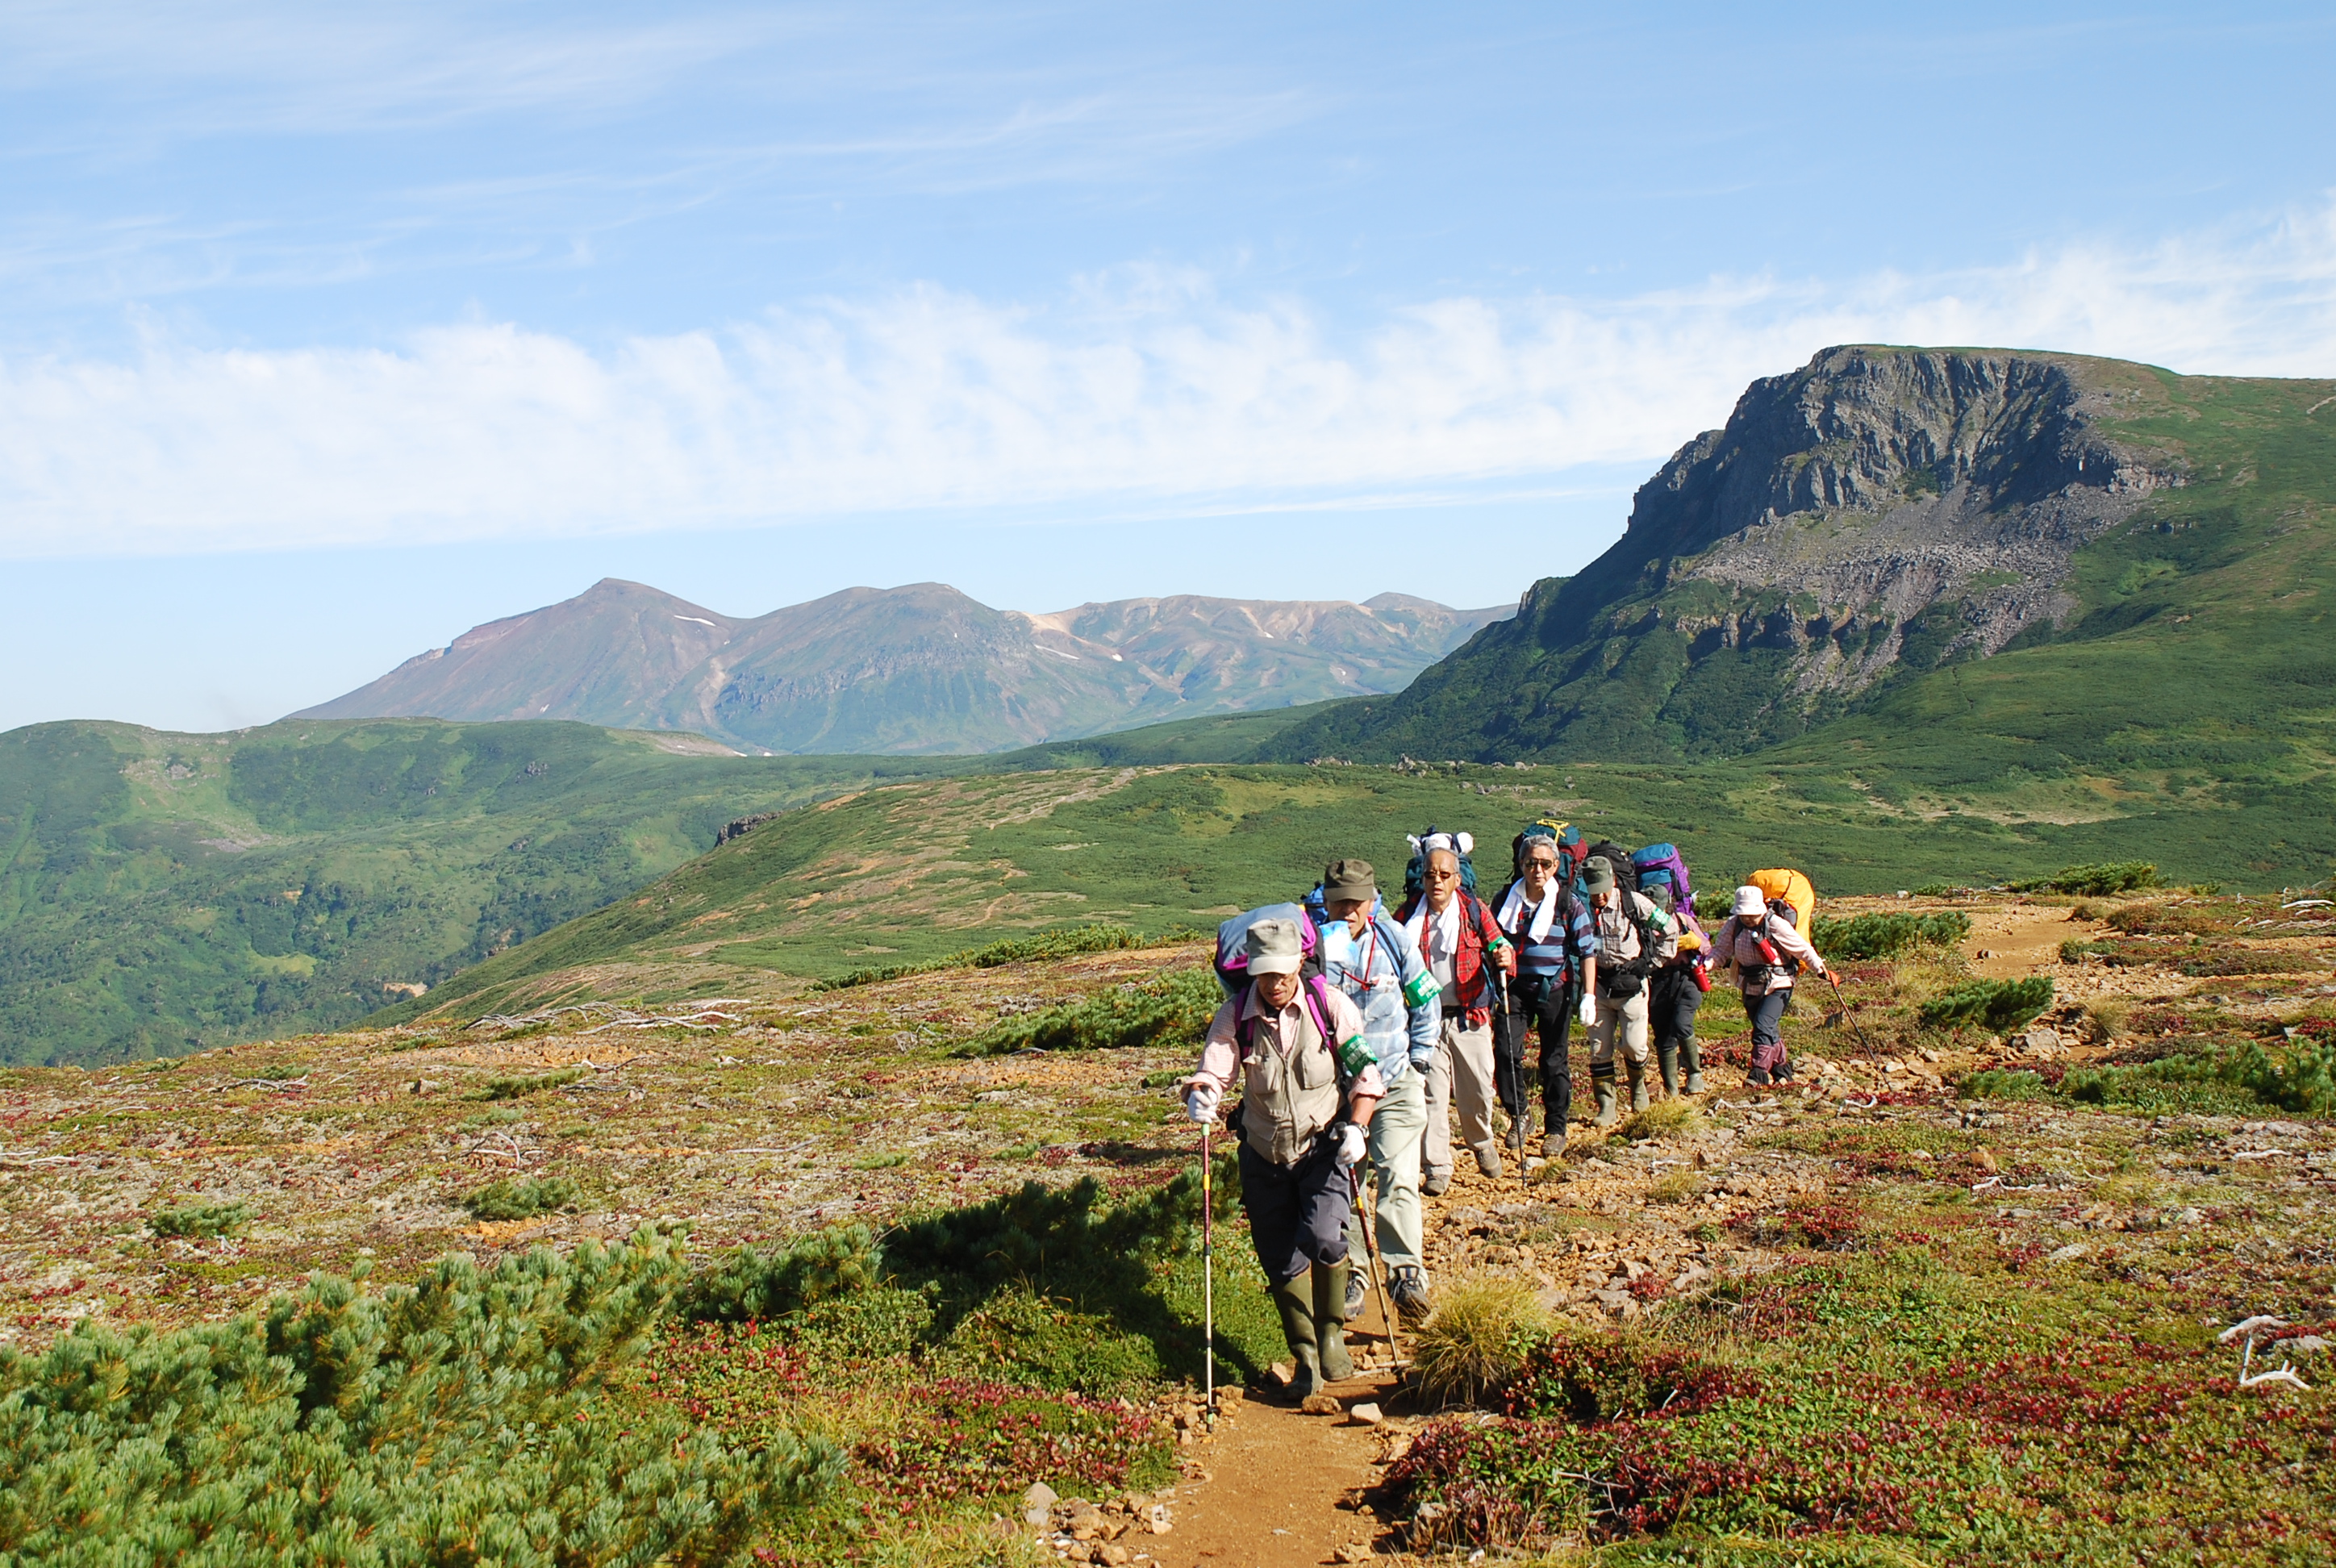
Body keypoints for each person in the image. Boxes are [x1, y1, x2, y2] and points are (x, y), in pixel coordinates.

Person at [1184, 918, 1383, 1400]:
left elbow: (1366, 1073)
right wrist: (1204, 1093)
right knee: (1279, 1256)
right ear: (1252, 972)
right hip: (1263, 1151)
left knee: (1322, 1237)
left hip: (1323, 1145)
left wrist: (1357, 1125)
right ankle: (1306, 1356)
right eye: (1265, 975)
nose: (1275, 984)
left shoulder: (1328, 1005)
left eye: (1283, 973)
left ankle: (1332, 1334)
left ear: (1300, 963)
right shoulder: (1235, 1016)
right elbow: (1216, 1067)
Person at [1303, 857, 1441, 1324]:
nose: (1347, 911)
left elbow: (1425, 1000)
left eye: (1356, 903)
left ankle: (1406, 1274)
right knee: (1347, 1182)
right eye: (1338, 902)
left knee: (1399, 1176)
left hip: (1397, 1079)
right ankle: (1355, 1274)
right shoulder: (1316, 947)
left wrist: (1420, 1060)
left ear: (1371, 901)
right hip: (1340, 1091)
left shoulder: (1395, 938)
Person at [1395, 836, 1512, 1192]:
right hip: (1425, 1020)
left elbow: (1498, 943)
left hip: (1469, 1016)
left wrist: (1504, 954)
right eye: (1431, 874)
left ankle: (1481, 1142)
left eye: (1445, 875)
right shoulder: (1408, 916)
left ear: (1457, 879)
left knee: (1476, 1088)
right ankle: (1437, 1167)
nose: (1437, 881)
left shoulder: (1474, 911)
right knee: (1431, 1093)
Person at [1491, 828, 1599, 1157]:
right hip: (1514, 987)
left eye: (1544, 864)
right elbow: (1492, 938)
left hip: (1556, 988)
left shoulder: (1568, 903)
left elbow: (1586, 951)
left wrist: (1589, 995)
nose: (1537, 870)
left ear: (1555, 867)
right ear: (1521, 864)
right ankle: (1520, 1114)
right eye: (1530, 863)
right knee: (1506, 1052)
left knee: (1554, 1060)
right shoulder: (1504, 901)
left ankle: (1556, 1127)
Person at [1579, 856, 1676, 1124]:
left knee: (1634, 1046)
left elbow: (1670, 928)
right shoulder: (1581, 907)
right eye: (1592, 891)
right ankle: (1606, 1106)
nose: (1597, 896)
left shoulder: (1634, 903)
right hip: (1598, 985)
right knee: (1599, 1050)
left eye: (1602, 890)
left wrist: (1651, 963)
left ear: (1612, 881)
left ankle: (1638, 1089)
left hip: (1632, 984)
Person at [1708, 885, 1827, 1085]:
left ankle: (1758, 1073)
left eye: (1751, 915)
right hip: (1749, 983)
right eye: (1743, 914)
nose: (1747, 919)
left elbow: (1802, 949)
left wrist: (1821, 969)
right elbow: (1721, 951)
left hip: (1779, 984)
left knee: (1763, 1027)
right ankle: (1781, 1070)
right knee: (1767, 1029)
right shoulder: (1733, 924)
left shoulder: (1775, 924)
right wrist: (1706, 966)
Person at [1646, 884, 1711, 1095]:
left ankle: (1695, 1074)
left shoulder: (1683, 920)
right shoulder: (1642, 926)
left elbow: (1707, 947)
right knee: (1663, 1035)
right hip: (1658, 982)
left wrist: (1696, 942)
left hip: (1685, 978)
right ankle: (1671, 1087)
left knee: (1682, 1024)